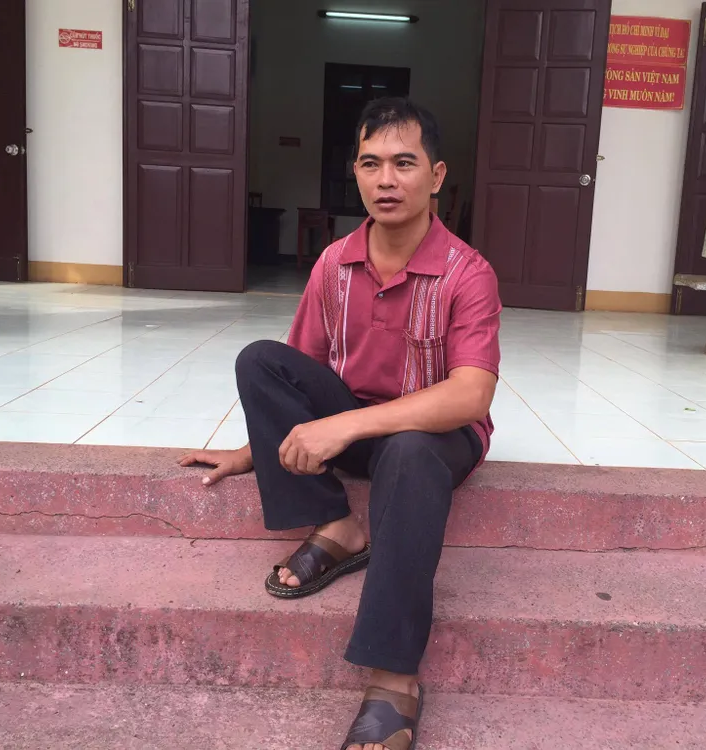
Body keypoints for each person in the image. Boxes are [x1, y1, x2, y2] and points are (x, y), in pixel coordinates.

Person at [179, 97, 501, 750]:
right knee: (259, 360)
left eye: (404, 163)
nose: (387, 180)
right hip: (357, 428)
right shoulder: (334, 263)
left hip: (435, 441)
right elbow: (296, 370)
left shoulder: (468, 273)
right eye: (370, 163)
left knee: (408, 451)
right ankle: (338, 525)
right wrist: (255, 449)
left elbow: (471, 395)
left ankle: (394, 676)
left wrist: (348, 428)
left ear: (436, 176)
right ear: (354, 172)